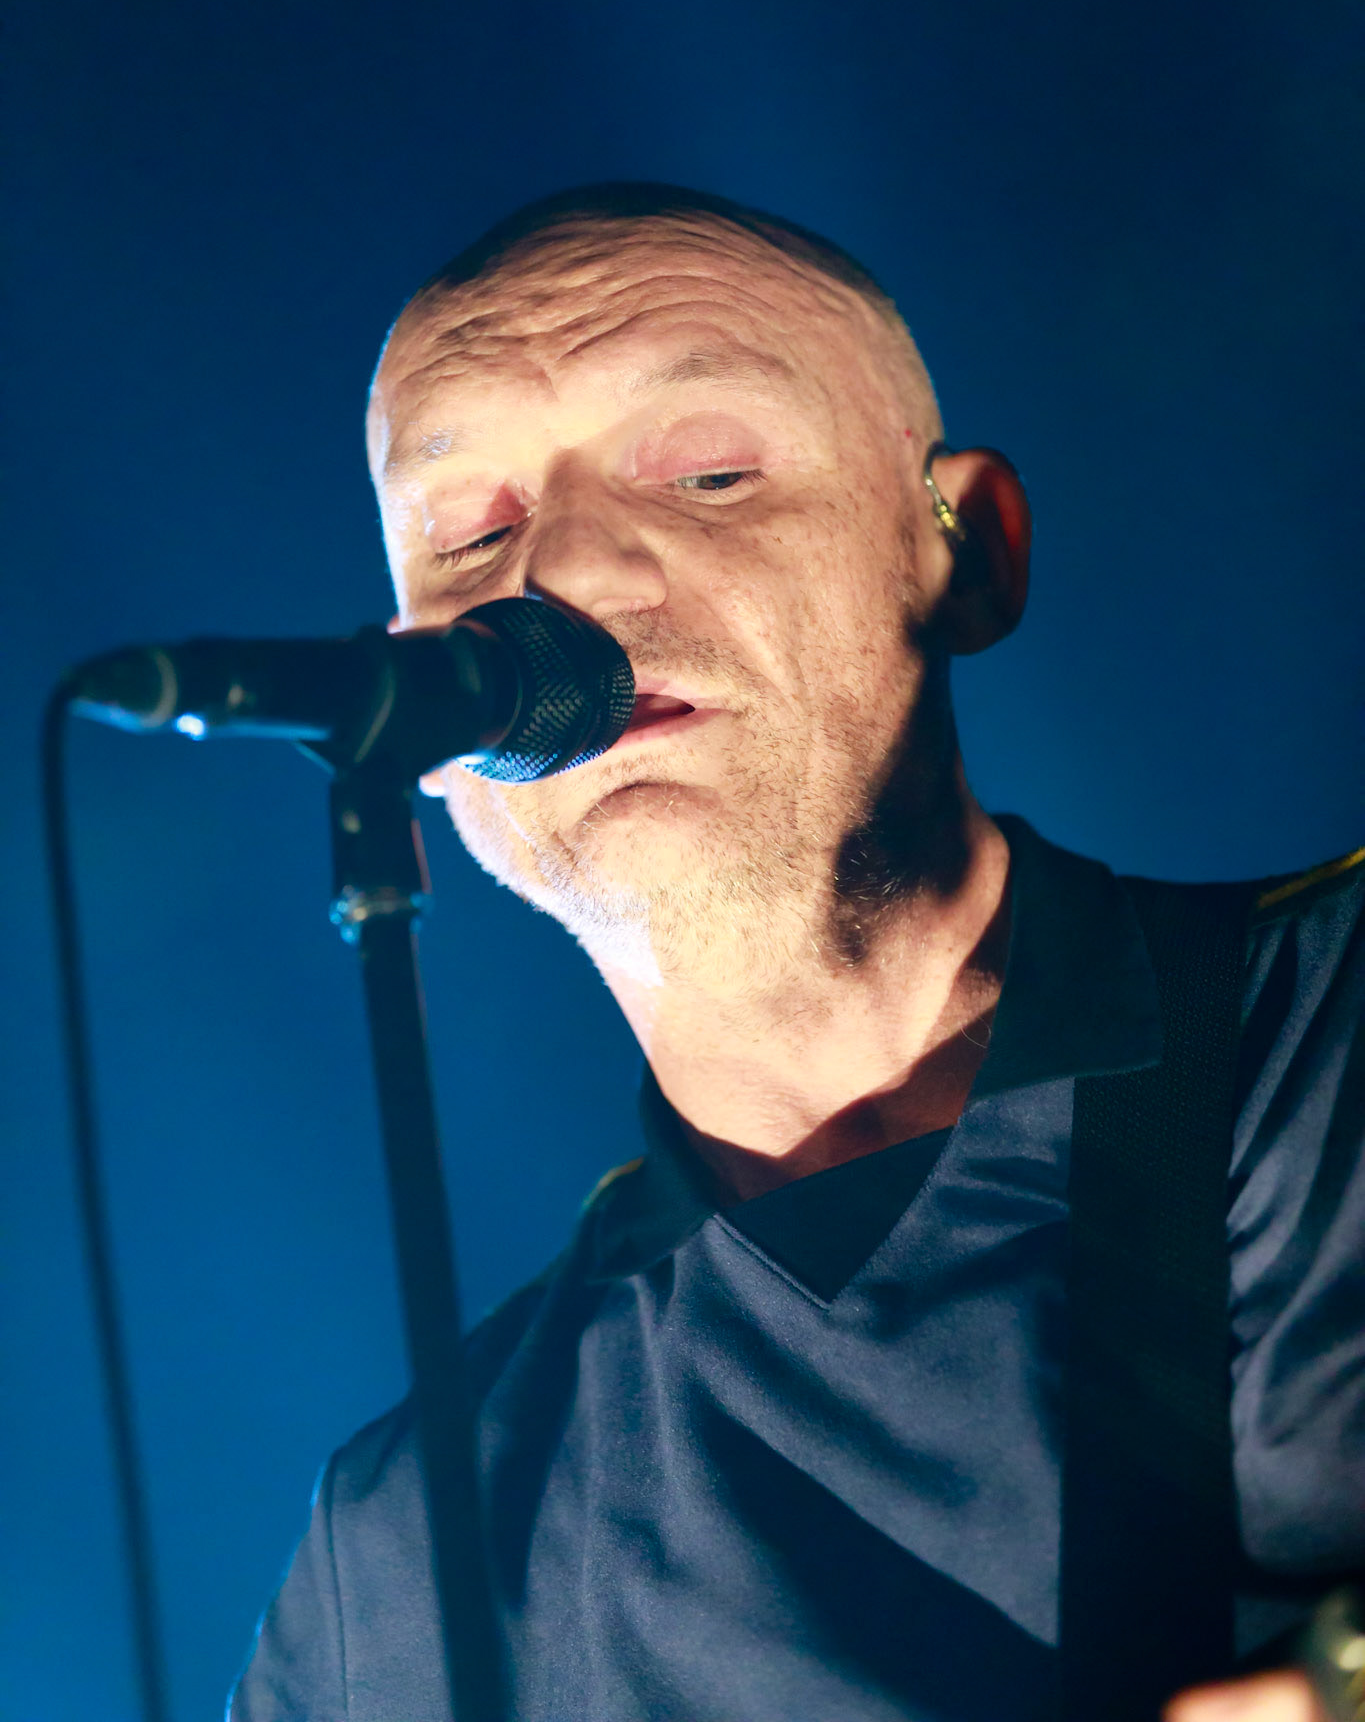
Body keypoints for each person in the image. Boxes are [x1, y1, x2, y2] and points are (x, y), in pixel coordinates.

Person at [231, 185, 1364, 1722]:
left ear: (963, 552)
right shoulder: (397, 1563)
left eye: (709, 473)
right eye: (474, 531)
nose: (563, 577)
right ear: (413, 715)